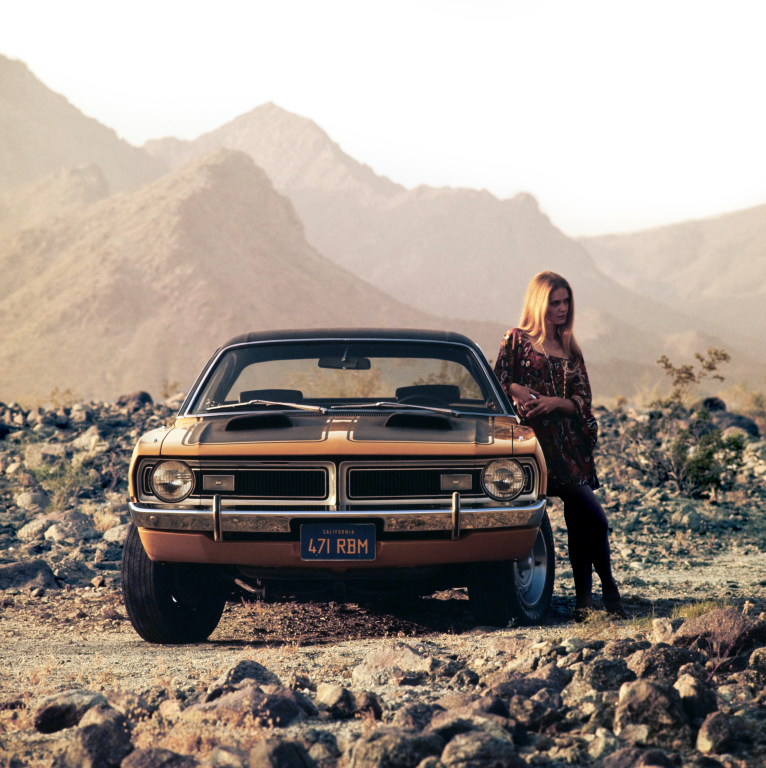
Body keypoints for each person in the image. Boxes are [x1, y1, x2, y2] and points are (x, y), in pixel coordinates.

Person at [493, 271, 627, 621]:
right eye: (555, 302)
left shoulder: (570, 348)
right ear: (540, 303)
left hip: (567, 448)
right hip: (530, 446)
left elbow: (583, 401)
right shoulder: (516, 340)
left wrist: (555, 402)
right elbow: (497, 380)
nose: (563, 309)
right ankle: (605, 591)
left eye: (566, 302)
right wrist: (518, 390)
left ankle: (591, 598)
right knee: (586, 517)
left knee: (589, 519)